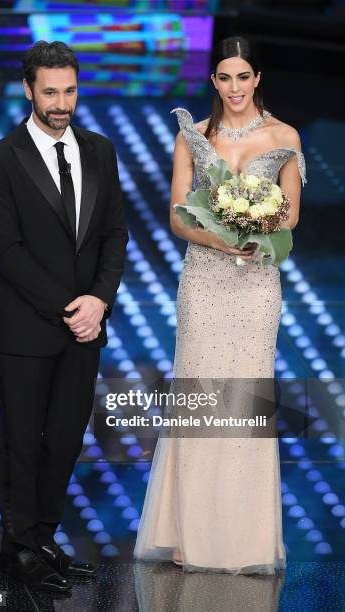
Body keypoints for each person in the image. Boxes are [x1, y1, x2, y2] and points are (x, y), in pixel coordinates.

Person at [134, 35, 306, 574]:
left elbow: (292, 217)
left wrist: (257, 225)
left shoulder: (284, 136)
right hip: (204, 281)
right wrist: (217, 239)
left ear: (257, 80)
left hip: (256, 286)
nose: (234, 88)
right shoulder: (193, 136)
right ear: (214, 82)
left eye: (243, 77)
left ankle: (244, 539)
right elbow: (178, 216)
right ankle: (185, 531)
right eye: (224, 78)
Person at [0, 41, 128, 593]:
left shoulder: (101, 150)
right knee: (22, 439)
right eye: (50, 92)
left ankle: (42, 539)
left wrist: (99, 300)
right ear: (28, 90)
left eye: (69, 90)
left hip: (87, 324)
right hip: (25, 327)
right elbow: (7, 251)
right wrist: (72, 307)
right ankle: (18, 551)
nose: (61, 103)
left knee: (64, 439)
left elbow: (114, 233)